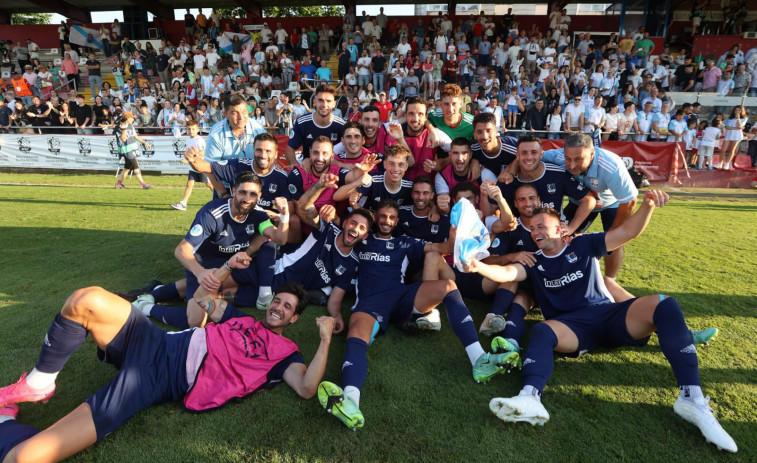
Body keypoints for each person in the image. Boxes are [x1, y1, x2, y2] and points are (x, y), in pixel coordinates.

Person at [463, 192, 738, 453]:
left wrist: (648, 205)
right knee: (543, 330)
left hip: (608, 315)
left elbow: (626, 233)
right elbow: (507, 272)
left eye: (541, 226)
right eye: (532, 229)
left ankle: (692, 398)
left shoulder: (583, 244)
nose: (535, 232)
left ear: (560, 229)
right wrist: (479, 267)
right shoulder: (533, 262)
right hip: (571, 328)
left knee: (665, 304)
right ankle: (529, 397)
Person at [0, 280, 336, 461]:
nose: (278, 307)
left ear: (293, 319)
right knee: (85, 298)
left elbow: (307, 387)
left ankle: (6, 423)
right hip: (154, 341)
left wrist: (324, 339)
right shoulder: (240, 318)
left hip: (160, 377)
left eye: (287, 307)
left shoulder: (285, 354)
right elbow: (198, 305)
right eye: (277, 301)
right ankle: (39, 383)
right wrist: (216, 276)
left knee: (25, 458)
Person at [317, 198, 521, 430]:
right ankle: (351, 401)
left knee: (448, 287)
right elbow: (340, 230)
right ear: (375, 220)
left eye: (392, 217)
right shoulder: (363, 240)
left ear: (396, 221)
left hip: (402, 297)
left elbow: (440, 249)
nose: (386, 221)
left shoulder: (405, 242)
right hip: (370, 304)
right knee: (356, 337)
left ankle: (479, 359)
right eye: (382, 216)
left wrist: (454, 235)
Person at [285, 84, 345, 167]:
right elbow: (290, 148)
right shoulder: (302, 122)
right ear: (314, 102)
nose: (324, 105)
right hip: (308, 167)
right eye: (320, 100)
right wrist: (294, 164)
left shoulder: (341, 126)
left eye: (328, 101)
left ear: (334, 104)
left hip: (332, 169)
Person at [170, 120, 212, 211]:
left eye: (193, 129)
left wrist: (190, 159)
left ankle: (221, 197)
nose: (191, 131)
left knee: (209, 184)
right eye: (189, 129)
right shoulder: (188, 138)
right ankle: (183, 203)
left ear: (197, 129)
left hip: (200, 166)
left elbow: (204, 152)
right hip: (193, 166)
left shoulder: (199, 140)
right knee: (189, 184)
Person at [114, 111, 152, 190]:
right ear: (127, 118)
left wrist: (145, 143)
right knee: (135, 166)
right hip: (125, 150)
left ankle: (118, 184)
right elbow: (123, 139)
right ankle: (143, 184)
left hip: (131, 149)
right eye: (132, 118)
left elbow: (135, 136)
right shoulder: (118, 127)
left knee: (127, 168)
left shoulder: (131, 126)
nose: (133, 119)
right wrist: (124, 129)